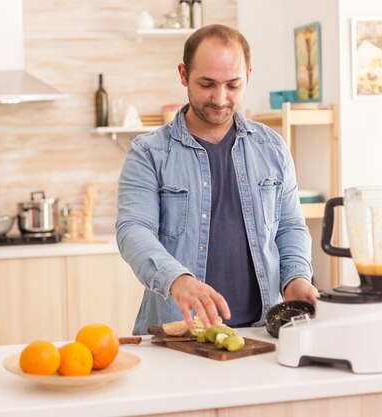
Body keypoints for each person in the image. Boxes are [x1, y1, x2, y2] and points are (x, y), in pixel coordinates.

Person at [116, 24, 319, 336]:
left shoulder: (273, 147)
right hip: (178, 335)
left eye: (233, 85)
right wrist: (177, 280)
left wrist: (296, 278)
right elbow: (133, 230)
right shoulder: (149, 153)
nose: (220, 98)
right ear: (183, 75)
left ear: (248, 75)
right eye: (207, 84)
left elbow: (290, 227)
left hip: (260, 333)